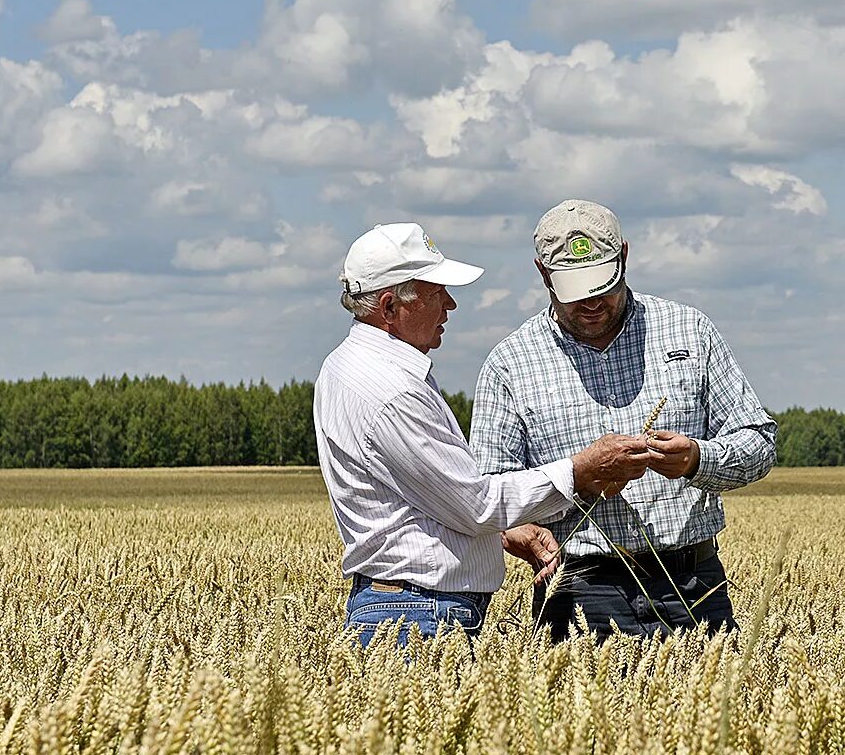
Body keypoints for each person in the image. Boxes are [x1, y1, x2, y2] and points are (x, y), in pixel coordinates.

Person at [314, 222, 654, 646]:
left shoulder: (345, 366)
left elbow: (425, 500)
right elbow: (475, 504)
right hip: (419, 612)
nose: (451, 304)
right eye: (437, 293)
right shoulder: (393, 391)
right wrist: (581, 470)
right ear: (389, 307)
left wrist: (504, 531)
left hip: (402, 605)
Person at [470, 200, 777, 641]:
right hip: (577, 589)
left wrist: (696, 459)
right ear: (542, 273)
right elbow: (489, 491)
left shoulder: (689, 330)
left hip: (692, 581)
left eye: (602, 284)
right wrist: (523, 526)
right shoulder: (510, 363)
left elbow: (760, 444)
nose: (592, 303)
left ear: (625, 257)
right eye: (574, 290)